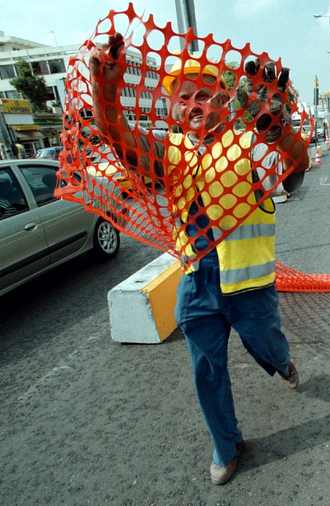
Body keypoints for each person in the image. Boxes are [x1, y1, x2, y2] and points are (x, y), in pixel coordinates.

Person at [88, 33, 309, 485]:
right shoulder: (169, 152)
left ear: (224, 100)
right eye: (183, 97)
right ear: (172, 108)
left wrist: (278, 129)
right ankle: (226, 445)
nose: (194, 104)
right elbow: (119, 137)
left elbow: (296, 168)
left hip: (249, 287)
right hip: (197, 280)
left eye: (204, 94)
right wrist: (104, 91)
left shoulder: (249, 143)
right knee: (206, 369)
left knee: (266, 346)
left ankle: (282, 361)